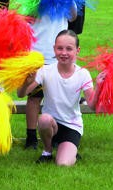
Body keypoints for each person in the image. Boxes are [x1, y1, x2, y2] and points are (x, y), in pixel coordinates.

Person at [18, 30, 103, 166]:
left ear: (77, 50)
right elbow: (21, 94)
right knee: (44, 119)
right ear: (54, 49)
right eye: (60, 48)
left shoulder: (83, 74)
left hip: (72, 126)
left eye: (69, 49)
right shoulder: (45, 71)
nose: (64, 53)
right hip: (51, 125)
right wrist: (26, 83)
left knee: (63, 164)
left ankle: (70, 150)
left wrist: (98, 86)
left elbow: (92, 105)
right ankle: (47, 151)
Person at [24, 0, 77, 149]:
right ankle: (30, 137)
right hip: (37, 52)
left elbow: (73, 16)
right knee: (34, 96)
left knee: (59, 97)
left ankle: (58, 133)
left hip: (60, 54)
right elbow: (30, 13)